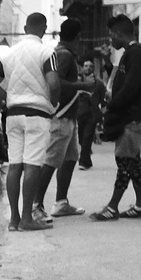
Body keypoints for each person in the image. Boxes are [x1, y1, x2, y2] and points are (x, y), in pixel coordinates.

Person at [0, 12, 58, 231]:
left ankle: (14, 220)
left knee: (15, 165)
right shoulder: (46, 52)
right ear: (44, 28)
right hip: (37, 115)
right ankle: (27, 219)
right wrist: (53, 102)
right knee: (32, 165)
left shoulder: (9, 53)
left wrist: (8, 98)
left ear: (25, 27)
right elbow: (54, 83)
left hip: (13, 115)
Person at [89, 13, 141, 220]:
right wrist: (108, 63)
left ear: (118, 33)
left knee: (124, 161)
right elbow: (124, 80)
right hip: (131, 114)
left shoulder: (136, 53)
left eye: (111, 36)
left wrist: (112, 107)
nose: (110, 40)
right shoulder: (131, 53)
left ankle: (112, 207)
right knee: (132, 160)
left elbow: (131, 86)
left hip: (132, 116)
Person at [45, 19, 93, 217]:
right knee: (51, 161)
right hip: (62, 115)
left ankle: (61, 202)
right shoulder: (64, 55)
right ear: (78, 37)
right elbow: (56, 83)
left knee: (71, 158)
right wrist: (82, 86)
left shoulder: (63, 54)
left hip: (68, 116)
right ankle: (36, 204)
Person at [76, 58, 104, 169]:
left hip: (91, 114)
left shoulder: (99, 84)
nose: (88, 68)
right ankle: (87, 160)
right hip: (79, 114)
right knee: (81, 138)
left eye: (90, 66)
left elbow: (103, 98)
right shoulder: (77, 82)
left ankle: (83, 161)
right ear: (82, 68)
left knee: (87, 138)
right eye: (86, 66)